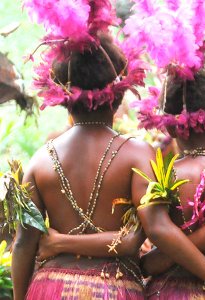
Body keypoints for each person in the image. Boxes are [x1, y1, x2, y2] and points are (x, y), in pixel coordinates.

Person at [11, 1, 152, 299]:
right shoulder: (139, 155)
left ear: (61, 97)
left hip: (49, 287)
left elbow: (24, 243)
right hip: (115, 289)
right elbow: (141, 236)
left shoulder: (40, 160)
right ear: (120, 94)